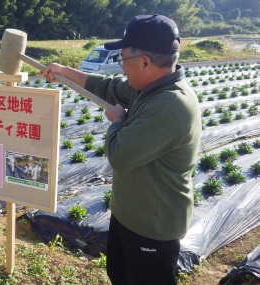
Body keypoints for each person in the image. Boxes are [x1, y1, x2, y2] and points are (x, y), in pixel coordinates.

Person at [42, 14, 201, 284]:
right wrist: (66, 72)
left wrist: (116, 121)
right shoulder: (150, 86)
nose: (122, 68)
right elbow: (108, 88)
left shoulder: (168, 106)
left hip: (152, 226)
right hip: (130, 213)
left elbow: (119, 154)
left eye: (123, 59)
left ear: (145, 62)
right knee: (120, 274)